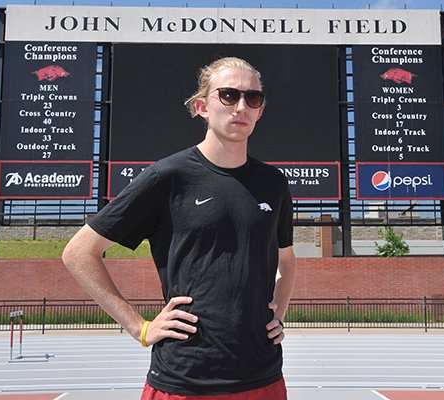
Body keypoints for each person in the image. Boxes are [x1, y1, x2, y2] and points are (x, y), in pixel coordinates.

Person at [62, 56, 297, 399]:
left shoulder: (273, 183)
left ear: (260, 111)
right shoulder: (167, 177)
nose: (241, 106)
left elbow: (286, 261)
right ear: (202, 106)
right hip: (184, 378)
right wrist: (138, 327)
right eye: (228, 96)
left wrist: (278, 311)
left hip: (262, 376)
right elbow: (79, 253)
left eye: (253, 98)